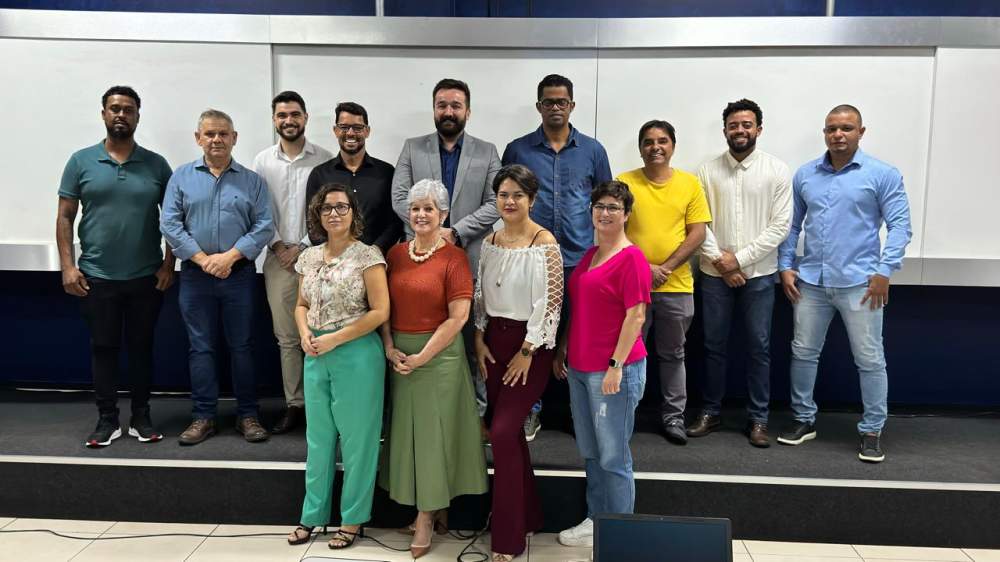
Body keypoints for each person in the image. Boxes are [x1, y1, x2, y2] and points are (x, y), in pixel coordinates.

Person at [777, 104, 912, 463]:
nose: (838, 134)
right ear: (825, 133)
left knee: (869, 358)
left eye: (846, 128)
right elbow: (792, 225)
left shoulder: (882, 174)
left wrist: (884, 271)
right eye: (831, 128)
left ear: (861, 132)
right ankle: (803, 419)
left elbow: (900, 226)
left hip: (861, 284)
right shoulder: (806, 175)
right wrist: (785, 265)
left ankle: (872, 430)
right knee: (803, 353)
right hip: (811, 282)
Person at [56, 85, 174, 447]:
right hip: (96, 277)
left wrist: (169, 264)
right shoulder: (81, 161)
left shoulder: (156, 165)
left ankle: (141, 416)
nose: (121, 114)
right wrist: (67, 266)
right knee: (103, 348)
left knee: (141, 348)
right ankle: (107, 419)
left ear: (138, 116)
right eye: (115, 108)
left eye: (128, 109)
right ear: (104, 114)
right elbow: (64, 216)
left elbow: (173, 219)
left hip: (146, 277)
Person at [378, 179, 488, 559]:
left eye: (429, 208)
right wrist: (389, 347)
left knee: (433, 438)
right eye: (415, 208)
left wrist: (423, 356)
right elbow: (384, 307)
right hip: (401, 357)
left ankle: (426, 516)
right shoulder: (395, 254)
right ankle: (432, 507)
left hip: (439, 358)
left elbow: (459, 317)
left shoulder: (454, 257)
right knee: (409, 437)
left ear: (443, 214)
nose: (421, 215)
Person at [502, 73, 612, 441]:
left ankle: (576, 412)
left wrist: (604, 254)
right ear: (539, 106)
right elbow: (506, 199)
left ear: (572, 106)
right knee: (531, 334)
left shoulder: (593, 151)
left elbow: (605, 204)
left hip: (578, 258)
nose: (555, 107)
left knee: (578, 334)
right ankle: (530, 409)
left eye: (561, 102)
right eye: (548, 102)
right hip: (530, 257)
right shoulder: (518, 150)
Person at [160, 109, 274, 446]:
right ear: (198, 138)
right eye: (209, 134)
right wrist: (202, 259)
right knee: (201, 348)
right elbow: (170, 224)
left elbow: (264, 225)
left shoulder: (252, 181)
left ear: (234, 138)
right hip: (196, 277)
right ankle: (203, 417)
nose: (216, 140)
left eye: (223, 134)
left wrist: (229, 257)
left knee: (242, 346)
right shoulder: (181, 178)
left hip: (239, 275)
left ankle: (248, 415)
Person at [390, 78, 501, 425]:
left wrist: (455, 232)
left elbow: (496, 202)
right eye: (442, 105)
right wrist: (432, 230)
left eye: (456, 105)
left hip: (469, 256)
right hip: (420, 261)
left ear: (468, 111)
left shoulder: (487, 151)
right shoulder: (412, 148)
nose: (448, 111)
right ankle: (424, 410)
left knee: (472, 337)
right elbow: (399, 198)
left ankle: (476, 413)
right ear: (434, 109)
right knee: (425, 331)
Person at [286, 184, 388, 550]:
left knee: (359, 442)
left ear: (353, 213)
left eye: (341, 207)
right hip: (315, 353)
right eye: (327, 208)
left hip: (356, 354)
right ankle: (312, 515)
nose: (334, 213)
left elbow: (380, 311)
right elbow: (301, 304)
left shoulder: (368, 256)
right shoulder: (309, 257)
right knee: (319, 440)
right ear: (318, 214)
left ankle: (352, 520)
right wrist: (303, 333)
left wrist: (336, 338)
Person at [473, 164, 562, 561]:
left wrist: (527, 351)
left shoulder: (545, 243)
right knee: (509, 440)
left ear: (532, 199)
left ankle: (507, 539)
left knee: (503, 432)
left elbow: (551, 304)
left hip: (530, 348)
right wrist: (478, 338)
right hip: (493, 344)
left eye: (517, 195)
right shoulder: (490, 241)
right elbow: (480, 294)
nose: (509, 202)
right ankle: (529, 516)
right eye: (503, 195)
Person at [690, 99, 792, 447]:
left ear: (758, 129)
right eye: (734, 125)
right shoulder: (706, 171)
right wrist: (722, 263)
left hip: (759, 275)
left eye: (747, 124)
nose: (740, 130)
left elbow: (780, 226)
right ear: (725, 130)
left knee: (759, 348)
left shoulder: (777, 170)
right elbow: (699, 224)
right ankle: (710, 411)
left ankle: (758, 419)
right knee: (712, 346)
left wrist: (739, 261)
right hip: (713, 274)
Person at [557, 181, 650, 551]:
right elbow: (580, 308)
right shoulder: (590, 255)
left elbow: (636, 316)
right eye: (599, 206)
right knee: (592, 453)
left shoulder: (632, 258)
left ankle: (621, 533)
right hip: (580, 369)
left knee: (614, 456)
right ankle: (596, 519)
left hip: (613, 371)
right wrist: (563, 349)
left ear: (626, 214)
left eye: (613, 207)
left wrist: (615, 365)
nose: (605, 212)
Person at [616, 120, 711, 446]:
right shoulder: (624, 182)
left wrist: (665, 268)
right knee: (627, 354)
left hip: (676, 285)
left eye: (662, 141)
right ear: (640, 147)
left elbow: (698, 232)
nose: (655, 147)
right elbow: (613, 230)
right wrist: (644, 268)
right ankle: (623, 417)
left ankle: (673, 419)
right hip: (632, 286)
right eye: (648, 142)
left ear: (673, 145)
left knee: (673, 354)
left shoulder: (689, 184)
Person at [252, 91, 334, 435]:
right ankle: (295, 404)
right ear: (274, 119)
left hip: (320, 258)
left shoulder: (325, 159)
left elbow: (330, 210)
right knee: (287, 337)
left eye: (295, 114)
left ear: (305, 118)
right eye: (282, 115)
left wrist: (302, 246)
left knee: (324, 332)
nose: (289, 120)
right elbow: (258, 209)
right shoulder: (262, 161)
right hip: (278, 260)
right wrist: (277, 244)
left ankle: (323, 405)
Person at [306, 101, 401, 256]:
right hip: (332, 263)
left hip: (377, 260)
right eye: (344, 127)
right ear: (336, 131)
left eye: (357, 128)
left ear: (367, 131)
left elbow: (395, 221)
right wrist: (334, 255)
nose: (350, 133)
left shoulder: (387, 173)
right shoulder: (319, 174)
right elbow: (313, 223)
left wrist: (375, 250)